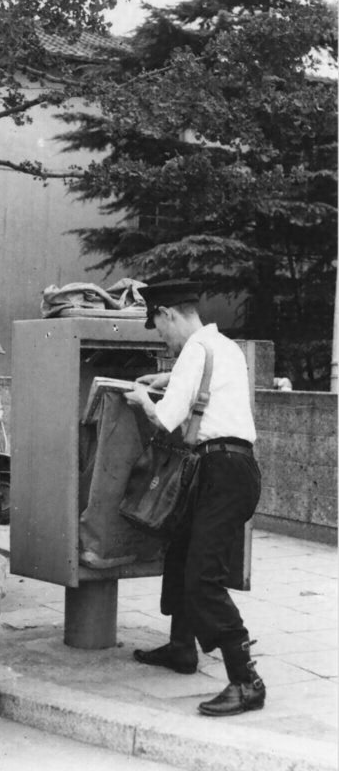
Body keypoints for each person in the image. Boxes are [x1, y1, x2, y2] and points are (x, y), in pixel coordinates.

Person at [124, 279, 264, 717]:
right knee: (182, 553)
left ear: (167, 313)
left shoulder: (193, 352)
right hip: (231, 469)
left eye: (159, 327)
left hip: (220, 472)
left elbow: (165, 420)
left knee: (203, 577)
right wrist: (170, 377)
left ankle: (246, 681)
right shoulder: (223, 346)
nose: (162, 338)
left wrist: (142, 397)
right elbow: (211, 386)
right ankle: (182, 647)